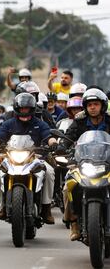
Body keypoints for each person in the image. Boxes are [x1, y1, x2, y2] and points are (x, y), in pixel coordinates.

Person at [0, 93, 57, 224]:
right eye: (22, 109)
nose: (24, 111)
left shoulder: (39, 124)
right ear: (17, 109)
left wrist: (53, 143)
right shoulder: (9, 123)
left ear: (32, 109)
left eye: (27, 108)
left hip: (36, 158)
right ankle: (3, 206)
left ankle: (46, 208)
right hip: (12, 157)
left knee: (49, 173)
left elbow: (49, 135)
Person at [56, 88, 110, 241]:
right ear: (85, 107)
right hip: (83, 163)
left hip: (107, 163)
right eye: (89, 104)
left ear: (102, 106)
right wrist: (61, 147)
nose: (93, 107)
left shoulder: (109, 120)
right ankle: (73, 223)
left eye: (96, 104)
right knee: (68, 187)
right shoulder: (79, 122)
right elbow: (68, 138)